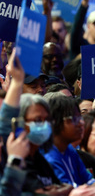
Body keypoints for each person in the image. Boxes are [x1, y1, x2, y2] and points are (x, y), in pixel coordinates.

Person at [0, 50, 73, 195]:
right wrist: (15, 160)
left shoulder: (38, 158)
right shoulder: (14, 155)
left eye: (47, 119)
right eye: (38, 120)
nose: (44, 125)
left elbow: (62, 187)